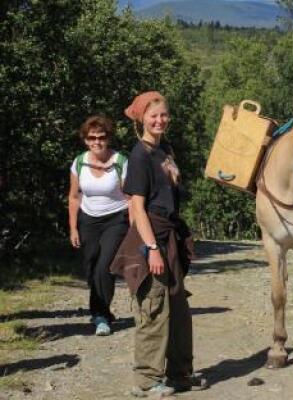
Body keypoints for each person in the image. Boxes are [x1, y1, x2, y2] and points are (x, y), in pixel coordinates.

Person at [109, 91, 205, 397]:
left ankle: (180, 373)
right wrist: (151, 248)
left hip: (170, 236)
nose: (160, 120)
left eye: (163, 114)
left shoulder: (165, 149)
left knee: (178, 308)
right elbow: (136, 208)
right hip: (152, 238)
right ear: (141, 119)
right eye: (153, 116)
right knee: (153, 308)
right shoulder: (139, 156)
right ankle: (147, 380)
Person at [68, 115, 129, 336]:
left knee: (105, 265)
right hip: (88, 219)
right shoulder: (79, 162)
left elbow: (131, 197)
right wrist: (73, 227)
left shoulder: (120, 162)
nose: (97, 142)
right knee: (92, 265)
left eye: (101, 137)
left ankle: (100, 315)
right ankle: (101, 308)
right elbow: (74, 197)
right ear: (85, 139)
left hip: (116, 218)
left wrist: (135, 227)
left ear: (108, 138)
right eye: (91, 137)